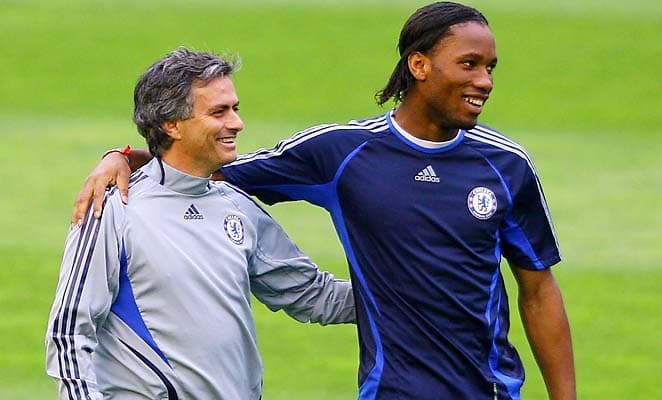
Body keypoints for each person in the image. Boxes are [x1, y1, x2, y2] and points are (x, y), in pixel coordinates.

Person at [72, 2, 576, 399]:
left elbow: (538, 291)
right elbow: (208, 167)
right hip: (388, 391)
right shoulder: (342, 153)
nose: (485, 81)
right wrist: (123, 156)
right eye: (469, 64)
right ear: (419, 65)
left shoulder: (506, 165)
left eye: (490, 67)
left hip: (489, 390)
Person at [46, 48, 355, 400]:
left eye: (235, 108)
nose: (236, 123)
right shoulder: (114, 208)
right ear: (172, 124)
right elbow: (69, 331)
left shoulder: (237, 206)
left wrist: (405, 294)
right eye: (219, 112)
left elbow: (313, 295)